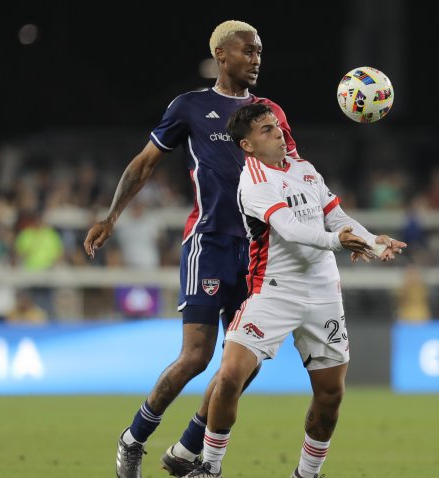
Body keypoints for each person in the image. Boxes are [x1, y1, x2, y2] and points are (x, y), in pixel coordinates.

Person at [83, 20, 299, 478]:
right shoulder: (191, 107)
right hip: (210, 243)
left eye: (260, 51)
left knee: (247, 362)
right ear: (222, 56)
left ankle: (188, 447)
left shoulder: (270, 112)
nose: (256, 58)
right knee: (197, 356)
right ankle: (134, 438)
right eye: (248, 51)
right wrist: (111, 215)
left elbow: (294, 172)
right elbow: (144, 165)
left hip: (259, 252)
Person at [183, 103, 406, 478]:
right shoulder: (253, 181)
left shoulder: (305, 170)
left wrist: (372, 241)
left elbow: (335, 215)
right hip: (273, 291)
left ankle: (307, 474)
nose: (279, 133)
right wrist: (340, 242)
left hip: (323, 294)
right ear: (248, 145)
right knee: (229, 376)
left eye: (277, 126)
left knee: (331, 393)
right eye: (267, 130)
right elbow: (289, 228)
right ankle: (210, 466)